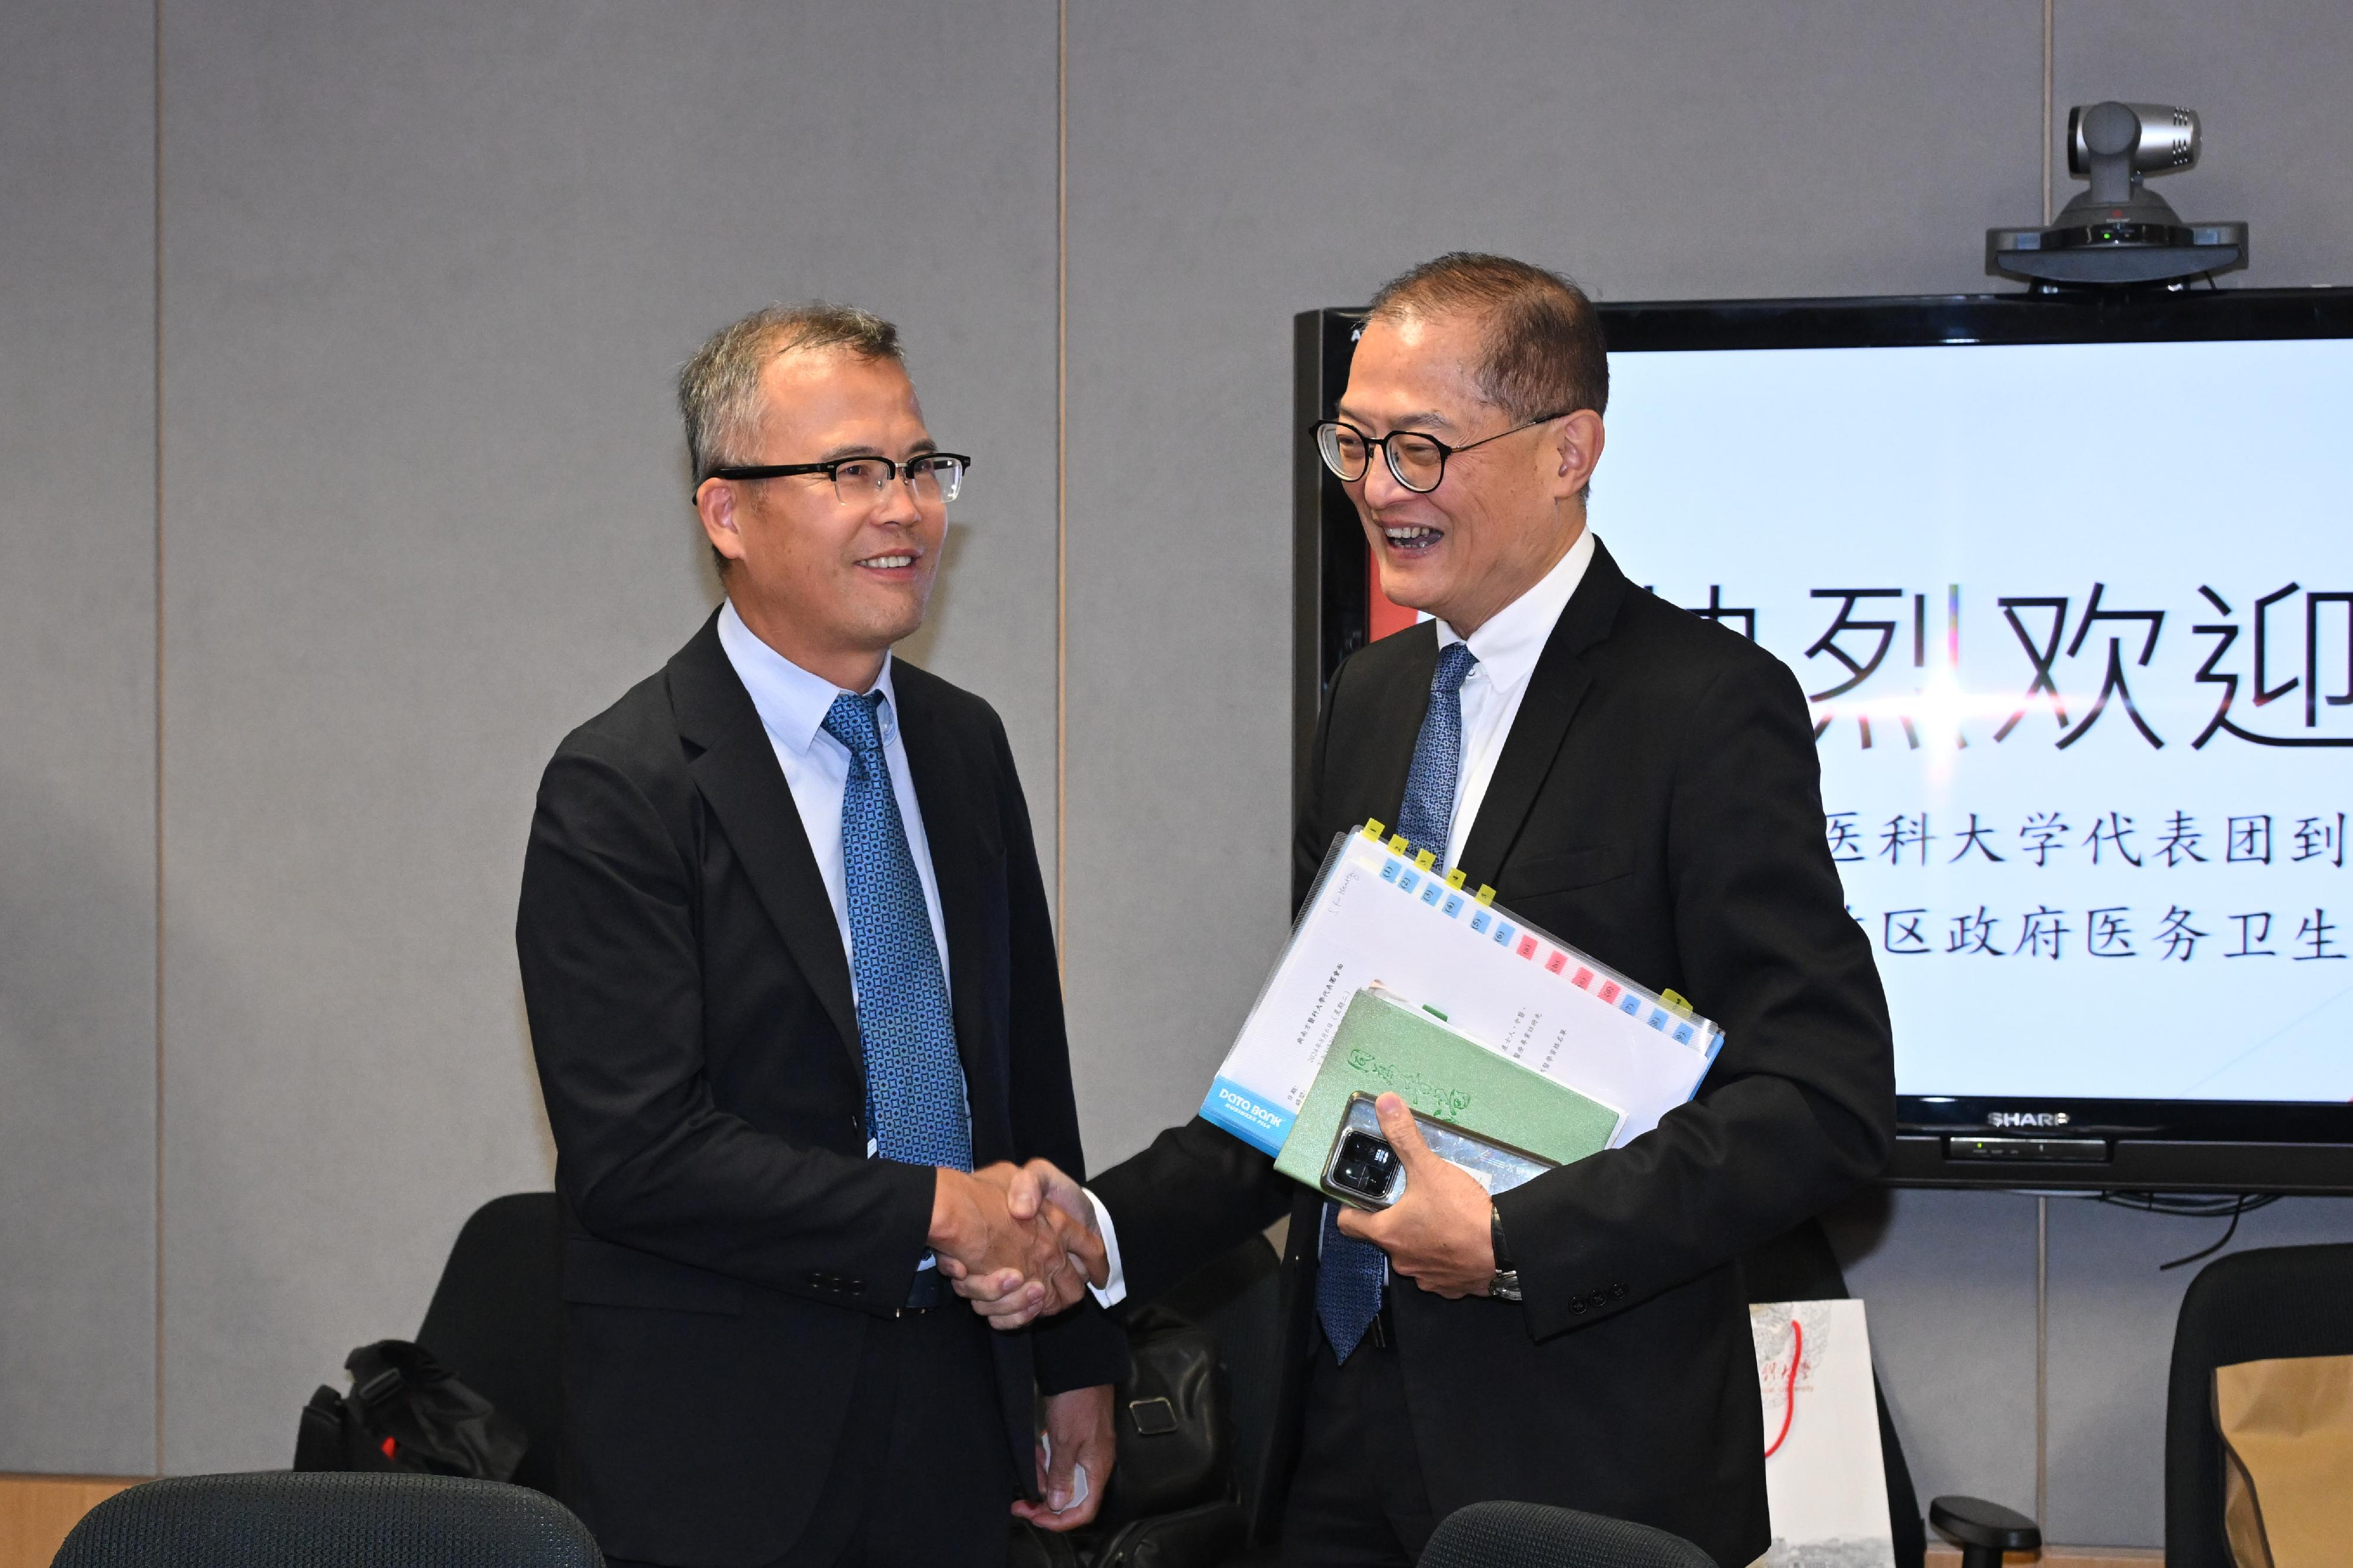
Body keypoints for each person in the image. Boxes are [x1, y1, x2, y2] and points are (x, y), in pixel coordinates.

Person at [955, 254, 1896, 1568]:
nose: (1375, 487)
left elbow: (1824, 1100)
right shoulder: (1375, 701)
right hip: (1331, 1422)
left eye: (1419, 447)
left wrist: (1513, 1240)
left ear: (1568, 450)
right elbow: (1316, 1073)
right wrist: (1096, 1232)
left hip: (1575, 1463)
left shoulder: (1702, 707)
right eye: (1352, 442)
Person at [516, 303, 1123, 1568]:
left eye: (917, 467)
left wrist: (1072, 1361)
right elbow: (636, 1153)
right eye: (851, 472)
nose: (902, 509)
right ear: (726, 514)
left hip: (959, 1426)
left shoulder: (964, 745)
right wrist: (936, 1211)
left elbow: (1021, 1082)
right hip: (723, 1456)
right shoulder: (622, 785)